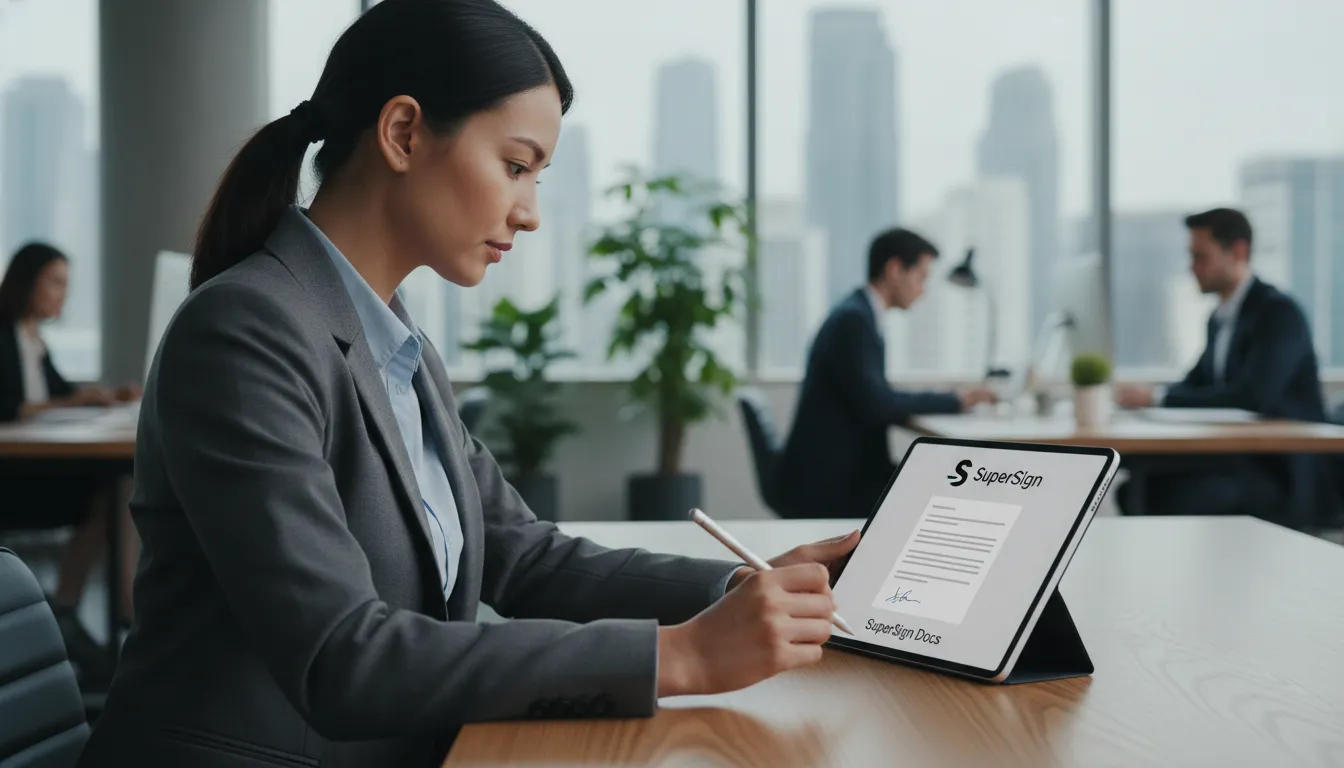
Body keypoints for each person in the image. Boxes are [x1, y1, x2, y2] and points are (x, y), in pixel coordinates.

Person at [76, 2, 860, 766]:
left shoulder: (394, 340)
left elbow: (525, 558)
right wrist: (677, 658)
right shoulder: (247, 332)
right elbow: (341, 658)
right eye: (516, 166)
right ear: (403, 132)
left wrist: (747, 586)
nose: (529, 214)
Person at [1114, 207, 1326, 524]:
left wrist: (1156, 399)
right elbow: (1196, 382)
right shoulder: (1220, 318)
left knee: (1157, 491)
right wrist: (1146, 398)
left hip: (1280, 471)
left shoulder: (1278, 313)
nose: (1192, 268)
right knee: (1137, 482)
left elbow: (1253, 397)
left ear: (1237, 252)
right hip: (1239, 460)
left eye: (1201, 257)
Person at [775, 228, 997, 520]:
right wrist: (954, 400)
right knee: (952, 487)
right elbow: (878, 403)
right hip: (832, 483)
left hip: (840, 471)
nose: (923, 290)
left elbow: (875, 395)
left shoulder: (859, 313)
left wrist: (950, 398)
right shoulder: (854, 321)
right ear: (894, 270)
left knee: (944, 481)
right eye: (921, 277)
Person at [0, 242, 139, 681]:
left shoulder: (31, 336)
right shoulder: (4, 333)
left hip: (33, 466)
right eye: (56, 282)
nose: (62, 294)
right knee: (111, 487)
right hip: (14, 475)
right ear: (28, 282)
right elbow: (10, 405)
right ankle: (111, 608)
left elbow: (57, 393)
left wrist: (103, 397)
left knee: (116, 485)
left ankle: (70, 605)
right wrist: (74, 400)